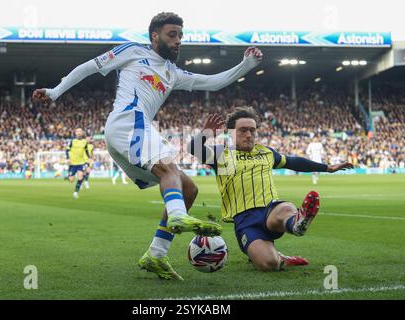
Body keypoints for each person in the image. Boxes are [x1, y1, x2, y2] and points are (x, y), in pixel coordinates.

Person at [32, 12, 263, 280]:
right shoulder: (132, 51)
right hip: (128, 122)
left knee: (188, 189)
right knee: (168, 171)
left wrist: (246, 65)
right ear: (155, 36)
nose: (178, 41)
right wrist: (55, 92)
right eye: (172, 35)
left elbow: (212, 82)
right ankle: (176, 215)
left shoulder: (173, 73)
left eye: (180, 36)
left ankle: (156, 254)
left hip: (134, 130)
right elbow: (89, 67)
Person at [189, 109, 354, 271]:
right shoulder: (220, 155)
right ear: (231, 133)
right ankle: (280, 258)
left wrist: (327, 167)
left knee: (285, 208)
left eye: (252, 130)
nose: (249, 134)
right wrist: (206, 133)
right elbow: (193, 148)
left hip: (270, 211)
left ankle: (296, 223)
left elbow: (293, 162)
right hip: (245, 221)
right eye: (243, 130)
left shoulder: (266, 153)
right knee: (269, 265)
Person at [66, 128, 89, 199]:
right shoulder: (72, 141)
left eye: (80, 131)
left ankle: (75, 192)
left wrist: (89, 158)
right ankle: (69, 176)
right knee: (71, 180)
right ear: (75, 133)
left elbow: (86, 150)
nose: (79, 133)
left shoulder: (84, 142)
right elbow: (67, 150)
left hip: (80, 163)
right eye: (77, 131)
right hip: (72, 163)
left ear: (82, 133)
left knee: (80, 176)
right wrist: (68, 158)